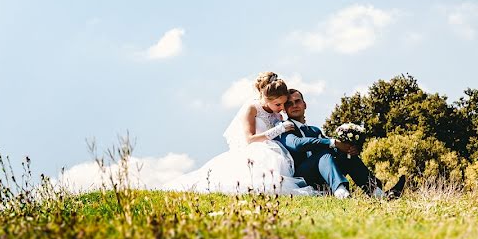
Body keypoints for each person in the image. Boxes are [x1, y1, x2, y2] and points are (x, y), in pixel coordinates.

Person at [163, 73, 315, 195]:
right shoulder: (252, 108)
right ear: (266, 98)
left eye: (283, 104)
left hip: (275, 152)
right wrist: (279, 129)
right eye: (278, 104)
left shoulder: (278, 115)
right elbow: (249, 139)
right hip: (255, 150)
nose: (282, 108)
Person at [279, 89, 405, 199]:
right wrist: (333, 142)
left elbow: (333, 150)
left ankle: (378, 193)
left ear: (304, 104)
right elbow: (296, 144)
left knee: (346, 156)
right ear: (284, 110)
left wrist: (348, 149)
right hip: (302, 177)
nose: (294, 105)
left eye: (297, 101)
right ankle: (341, 191)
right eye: (289, 104)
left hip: (322, 176)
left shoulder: (315, 130)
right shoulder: (284, 127)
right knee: (324, 153)